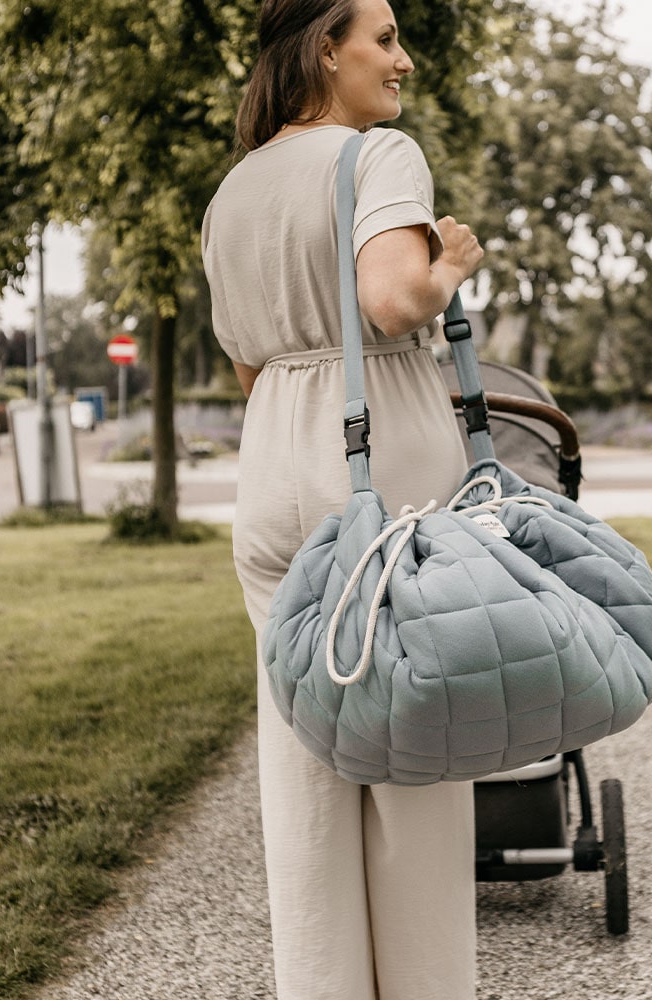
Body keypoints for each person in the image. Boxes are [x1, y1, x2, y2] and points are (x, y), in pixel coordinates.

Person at [201, 1, 484, 997]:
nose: (402, 59)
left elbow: (248, 365)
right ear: (327, 47)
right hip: (384, 477)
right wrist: (446, 263)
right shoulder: (376, 155)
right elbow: (392, 299)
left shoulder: (232, 191)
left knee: (304, 757)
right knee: (415, 762)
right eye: (385, 37)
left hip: (272, 468)